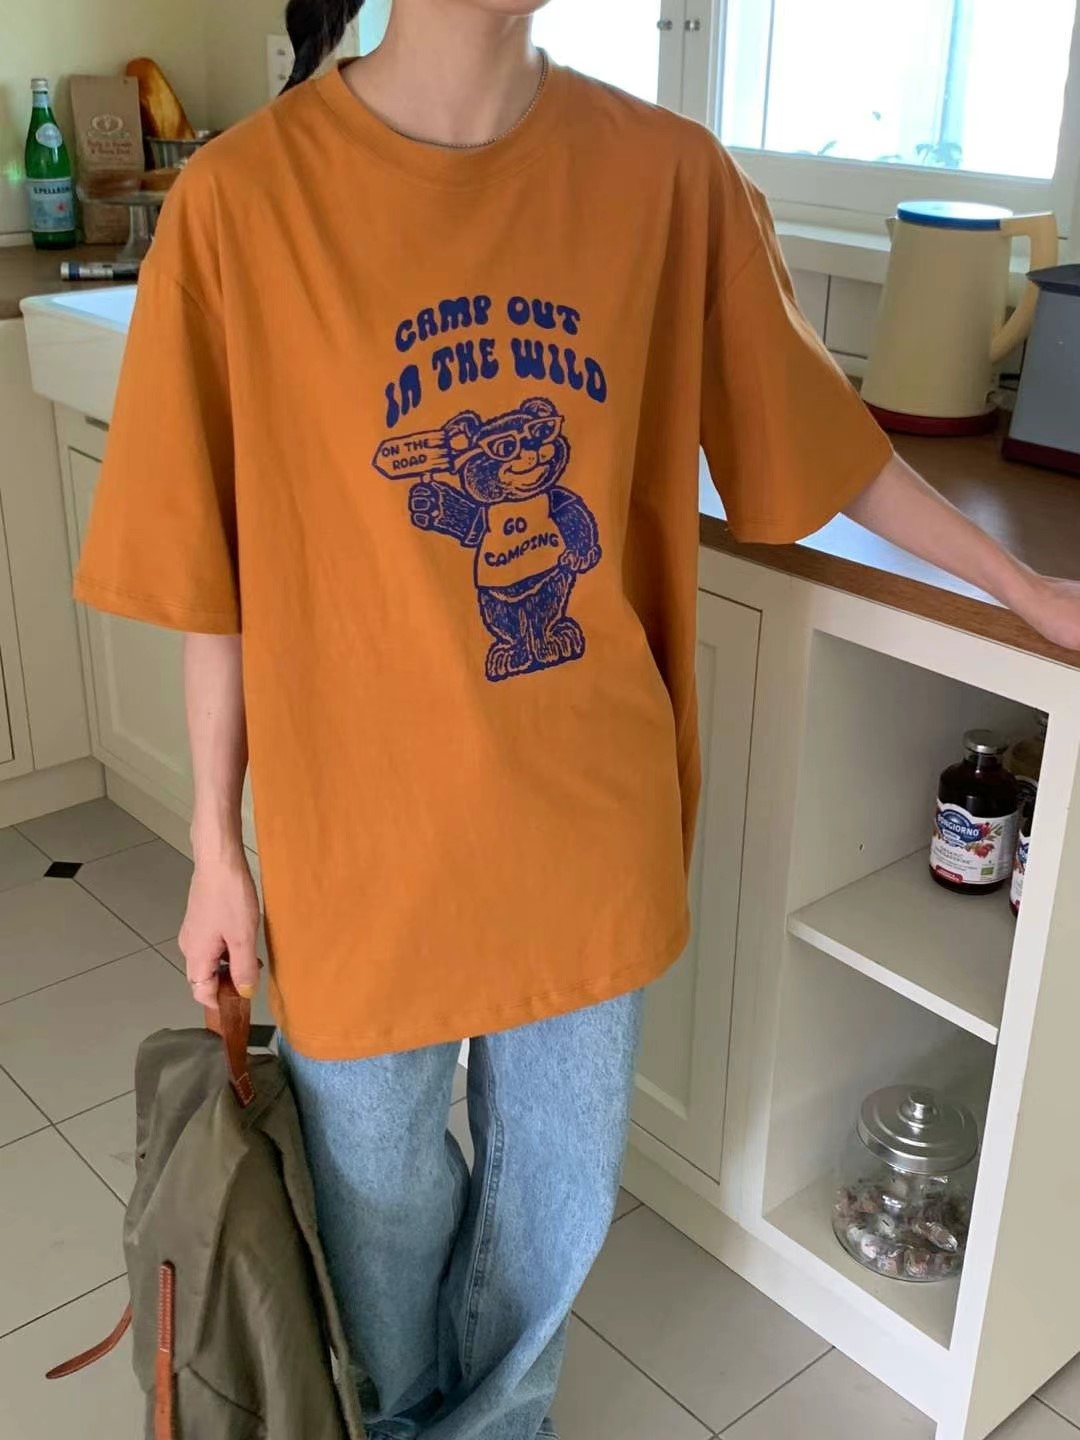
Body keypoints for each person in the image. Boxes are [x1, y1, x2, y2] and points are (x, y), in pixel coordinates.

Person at [73, 1, 1080, 1436]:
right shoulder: (243, 201)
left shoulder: (666, 178)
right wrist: (213, 847)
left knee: (558, 1198)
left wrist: (1021, 585)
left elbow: (824, 442)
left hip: (588, 813)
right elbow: (206, 570)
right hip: (361, 834)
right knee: (377, 1201)